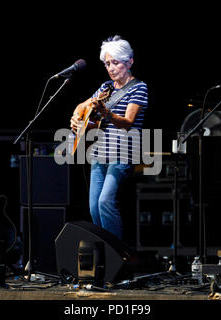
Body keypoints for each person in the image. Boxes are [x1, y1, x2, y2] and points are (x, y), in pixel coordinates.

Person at [70, 35, 148, 240]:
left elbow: (128, 122)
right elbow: (81, 106)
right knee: (94, 206)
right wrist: (77, 118)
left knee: (105, 201)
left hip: (123, 154)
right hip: (99, 153)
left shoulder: (139, 88)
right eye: (107, 64)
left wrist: (107, 115)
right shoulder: (106, 88)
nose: (111, 68)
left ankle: (117, 255)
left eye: (115, 62)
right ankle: (104, 252)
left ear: (129, 61)